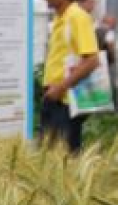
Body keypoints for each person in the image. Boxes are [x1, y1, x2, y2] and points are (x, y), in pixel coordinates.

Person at [41, 0, 100, 153]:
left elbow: (92, 60)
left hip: (66, 102)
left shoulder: (77, 17)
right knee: (47, 159)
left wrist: (61, 87)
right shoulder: (59, 18)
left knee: (64, 163)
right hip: (54, 98)